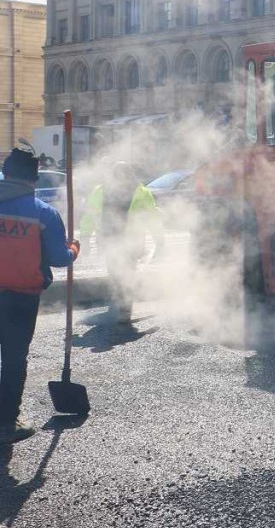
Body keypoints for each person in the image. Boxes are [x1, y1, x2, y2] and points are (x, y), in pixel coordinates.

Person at [0, 148, 80, 444]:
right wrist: (75, 248)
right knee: (13, 361)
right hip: (21, 299)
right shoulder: (42, 213)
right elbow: (60, 257)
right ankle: (6, 424)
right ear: (34, 179)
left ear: (5, 173)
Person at [78, 162, 163, 324]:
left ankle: (124, 309)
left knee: (125, 275)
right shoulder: (101, 191)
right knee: (116, 274)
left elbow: (152, 218)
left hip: (131, 243)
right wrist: (85, 237)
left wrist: (160, 240)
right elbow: (90, 215)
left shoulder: (140, 192)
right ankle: (121, 302)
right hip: (110, 241)